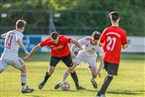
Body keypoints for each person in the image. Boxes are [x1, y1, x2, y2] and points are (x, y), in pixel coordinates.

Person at [95, 11, 128, 97]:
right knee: (110, 77)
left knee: (108, 75)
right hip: (114, 58)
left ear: (111, 19)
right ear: (118, 19)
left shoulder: (107, 30)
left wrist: (106, 48)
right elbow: (124, 46)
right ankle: (99, 94)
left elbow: (99, 43)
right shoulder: (122, 32)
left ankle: (102, 94)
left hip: (106, 57)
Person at [0, 19, 34, 93]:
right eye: (24, 27)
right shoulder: (19, 34)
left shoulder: (9, 32)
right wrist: (25, 50)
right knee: (23, 69)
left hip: (4, 57)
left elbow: (2, 36)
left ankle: (25, 88)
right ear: (22, 27)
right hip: (13, 57)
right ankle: (24, 89)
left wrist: (8, 35)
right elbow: (18, 39)